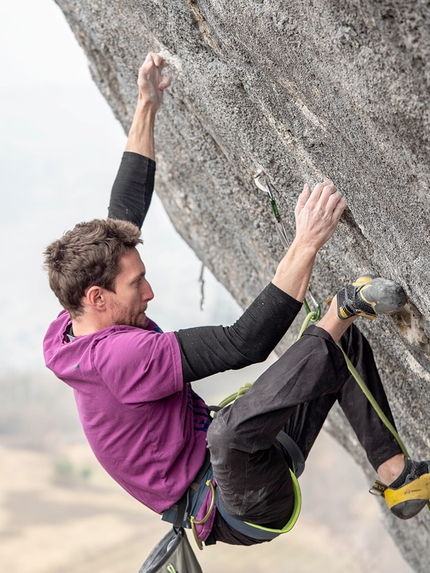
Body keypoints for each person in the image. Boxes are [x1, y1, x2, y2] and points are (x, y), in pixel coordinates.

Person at [43, 53, 430, 547]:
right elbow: (244, 343)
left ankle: (398, 477)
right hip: (237, 502)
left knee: (337, 350)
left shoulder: (76, 318)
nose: (149, 292)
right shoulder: (121, 356)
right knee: (229, 431)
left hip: (255, 457)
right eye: (136, 285)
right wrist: (307, 241)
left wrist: (146, 106)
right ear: (98, 298)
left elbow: (124, 214)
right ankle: (343, 305)